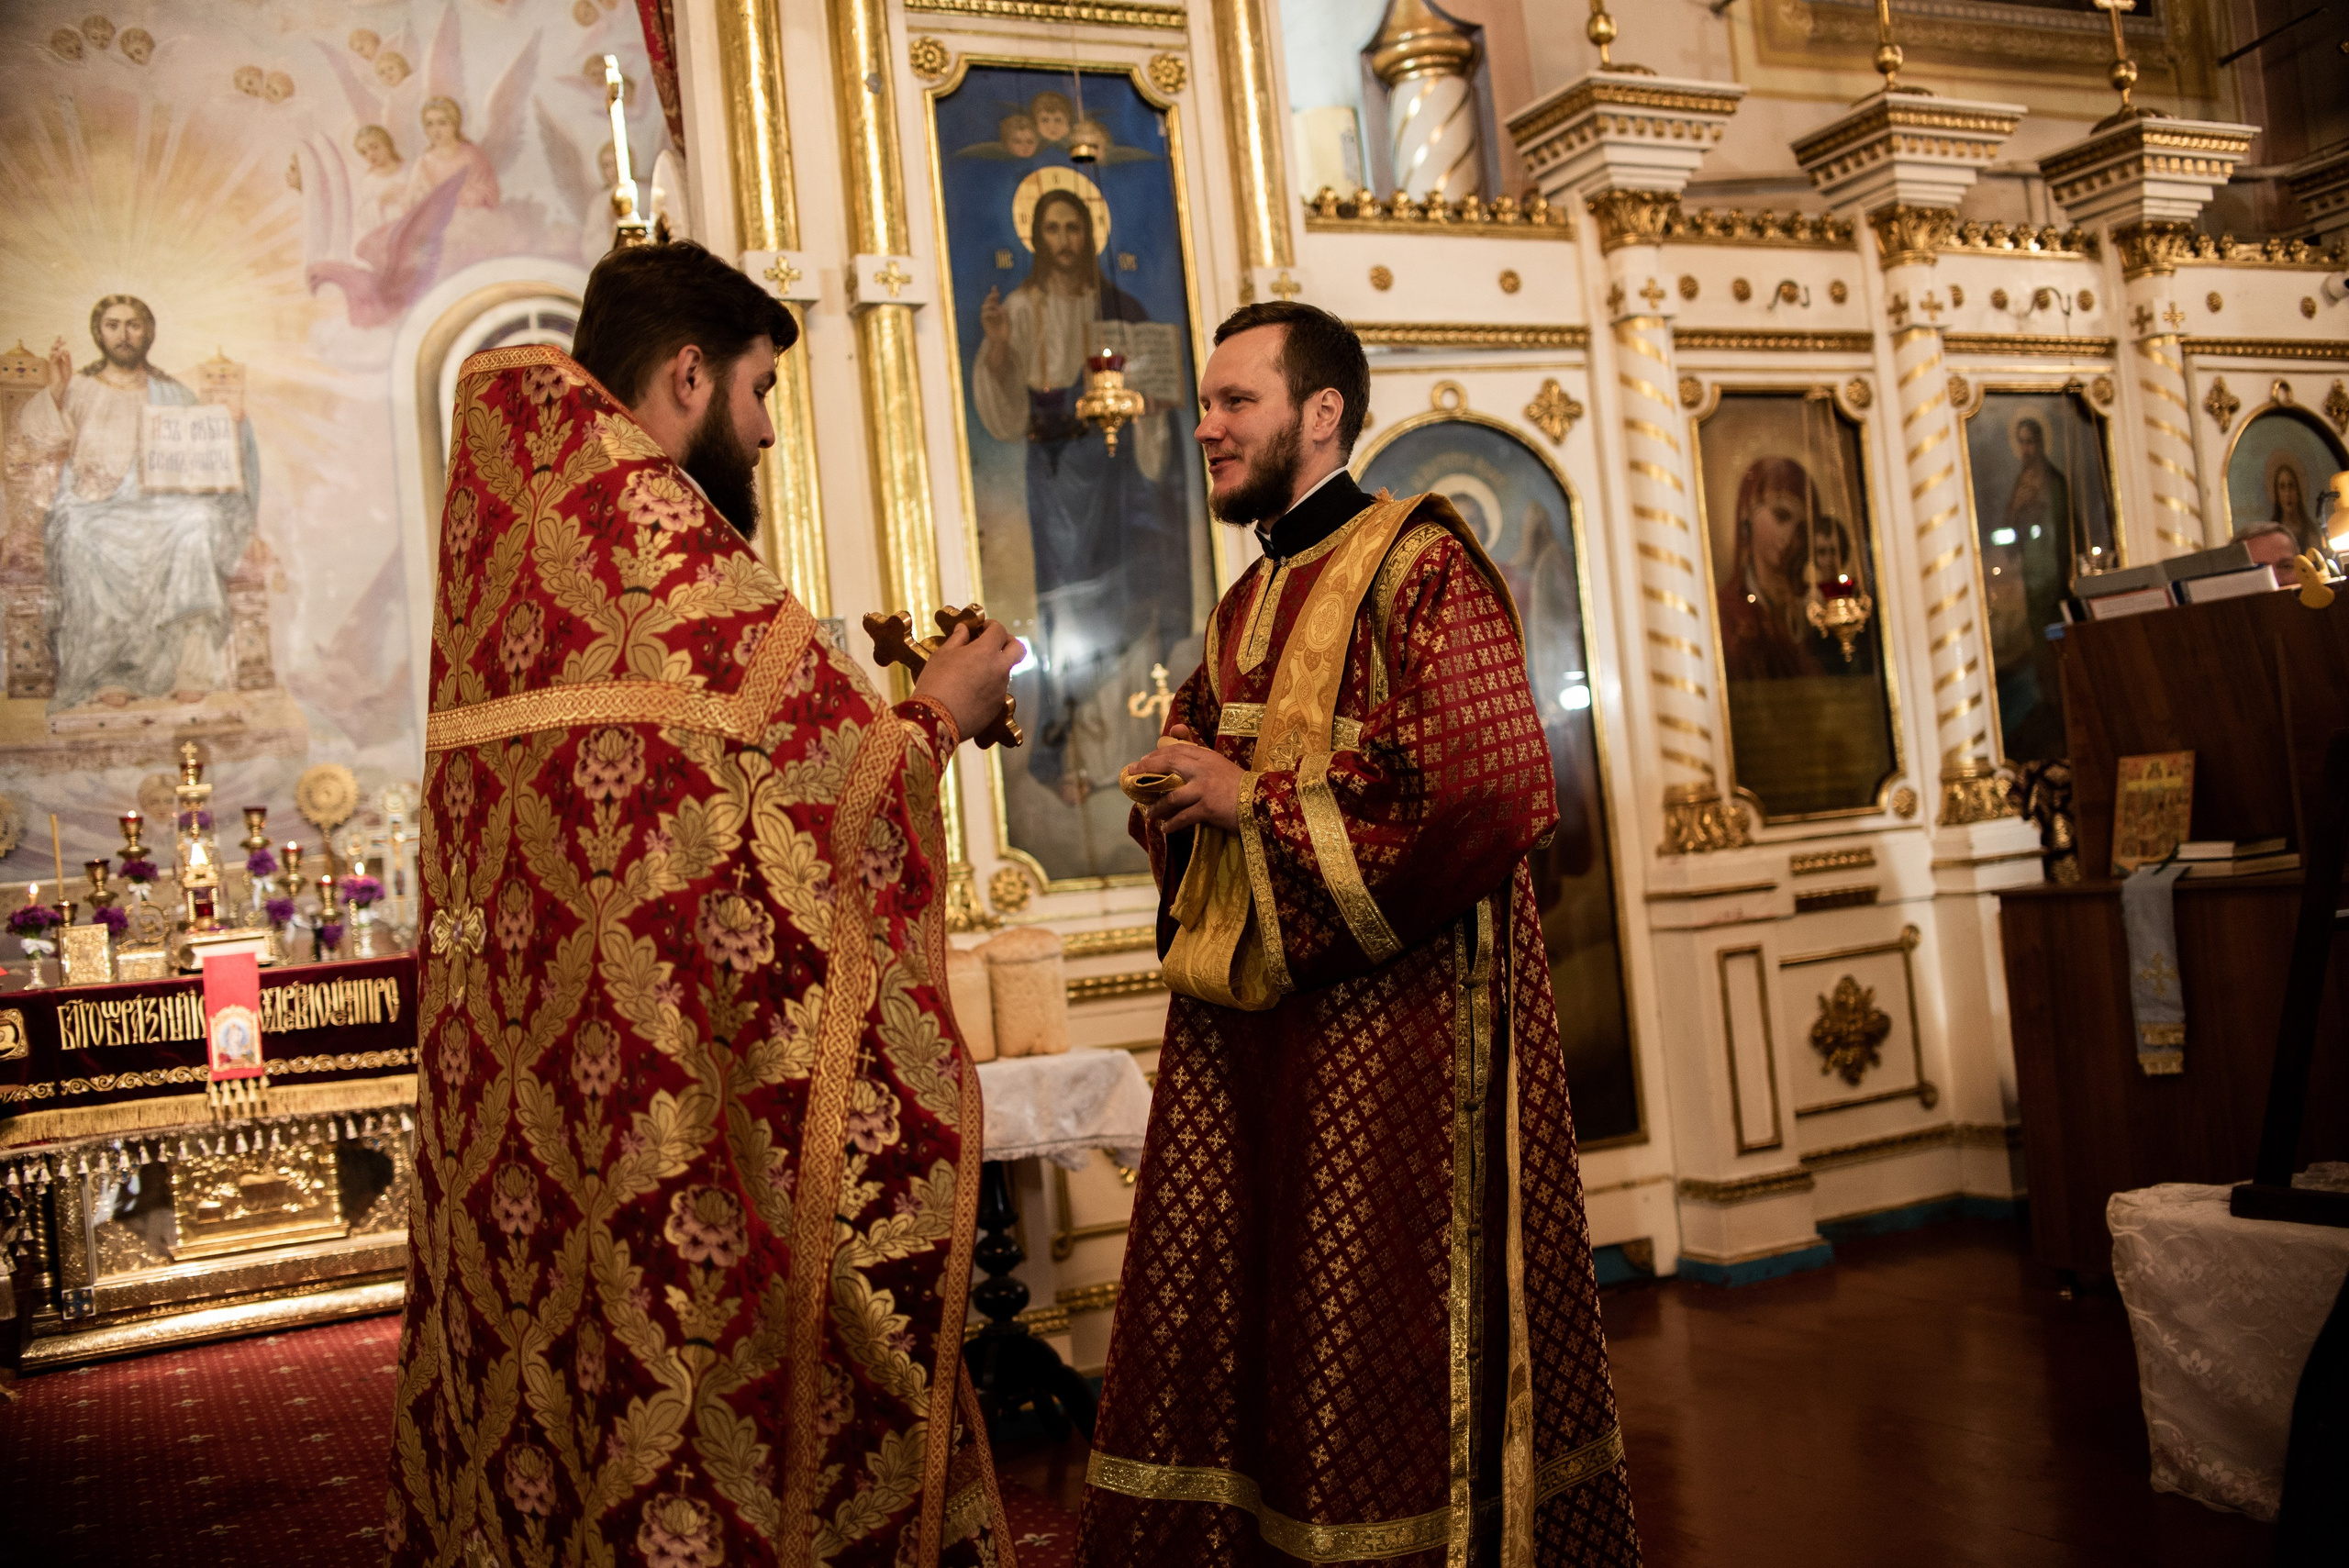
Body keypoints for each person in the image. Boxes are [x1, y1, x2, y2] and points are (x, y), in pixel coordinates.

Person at [382, 240, 1024, 1568]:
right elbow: (842, 804)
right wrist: (939, 716)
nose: (770, 432)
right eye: (760, 390)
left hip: (533, 1146)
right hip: (680, 1161)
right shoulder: (677, 567)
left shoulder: (512, 560)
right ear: (687, 373)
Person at [1077, 301, 1637, 1567]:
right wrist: (1181, 795)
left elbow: (1493, 783)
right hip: (1262, 1028)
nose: (1207, 426)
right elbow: (1221, 783)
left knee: (1380, 1311)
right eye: (1207, 403)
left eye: (1235, 402)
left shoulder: (1418, 564)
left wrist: (1251, 799)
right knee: (1263, 1300)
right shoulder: (1244, 601)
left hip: (1403, 1035)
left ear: (1320, 413)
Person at [972, 186, 1189, 800]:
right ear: (1037, 237)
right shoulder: (1018, 307)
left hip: (1120, 479)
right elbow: (1006, 413)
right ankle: (1071, 754)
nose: (1066, 241)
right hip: (1059, 478)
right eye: (1055, 229)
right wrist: (995, 347)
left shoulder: (1121, 307)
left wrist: (1149, 412)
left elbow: (1156, 392)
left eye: (1075, 228)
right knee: (1071, 610)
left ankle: (1128, 752)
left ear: (1089, 236)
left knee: (1127, 599)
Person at [17, 295, 259, 712]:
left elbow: (207, 451)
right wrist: (55, 392)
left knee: (197, 522)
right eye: (113, 325)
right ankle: (109, 671)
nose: (124, 335)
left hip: (160, 507)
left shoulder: (171, 392)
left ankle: (189, 668)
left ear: (147, 332)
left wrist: (233, 421)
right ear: (100, 332)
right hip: (94, 505)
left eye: (133, 325)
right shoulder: (79, 389)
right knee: (78, 534)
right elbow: (32, 447)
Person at [1984, 414, 2074, 761]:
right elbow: (2008, 535)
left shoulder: (2055, 483)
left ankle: (2058, 704)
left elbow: (2064, 530)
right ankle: (2045, 706)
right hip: (2030, 579)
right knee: (2035, 649)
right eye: (2020, 442)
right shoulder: (2021, 484)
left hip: (2054, 576)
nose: (2026, 449)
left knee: (2055, 647)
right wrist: (2018, 510)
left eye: (2030, 441)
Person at [1714, 454, 1828, 682]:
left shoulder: (1814, 605)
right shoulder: (1726, 609)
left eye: (1801, 528)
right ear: (1747, 515)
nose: (1789, 537)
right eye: (1781, 516)